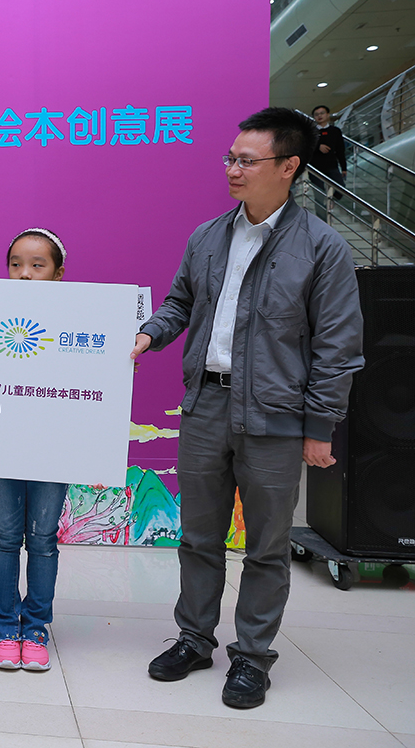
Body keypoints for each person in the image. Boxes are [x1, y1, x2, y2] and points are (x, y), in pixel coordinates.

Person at [132, 107, 364, 709]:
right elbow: (179, 304)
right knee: (198, 536)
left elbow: (338, 347)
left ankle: (253, 658)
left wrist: (320, 426)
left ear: (289, 166)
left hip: (275, 415)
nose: (233, 169)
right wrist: (149, 335)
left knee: (266, 544)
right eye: (230, 158)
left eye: (246, 160)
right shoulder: (209, 236)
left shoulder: (322, 247)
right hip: (206, 404)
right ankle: (193, 639)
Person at [0, 228, 69, 673]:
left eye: (37, 265)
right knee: (4, 536)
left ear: (58, 274)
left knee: (42, 539)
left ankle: (35, 627)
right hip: (2, 443)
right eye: (16, 264)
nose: (24, 274)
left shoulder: (80, 320)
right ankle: (4, 627)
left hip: (54, 446)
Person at [309, 105, 347, 208]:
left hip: (331, 165)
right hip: (315, 167)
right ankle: (321, 217)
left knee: (341, 187)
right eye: (316, 114)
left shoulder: (335, 131)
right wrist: (318, 147)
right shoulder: (310, 132)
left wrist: (344, 167)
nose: (319, 116)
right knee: (319, 194)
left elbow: (340, 150)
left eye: (322, 113)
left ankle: (332, 201)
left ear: (327, 115)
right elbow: (305, 147)